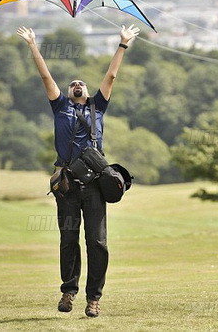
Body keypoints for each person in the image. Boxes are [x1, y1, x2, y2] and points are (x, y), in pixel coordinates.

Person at [17, 24, 140, 318]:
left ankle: (93, 298)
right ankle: (68, 292)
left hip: (96, 186)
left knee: (97, 243)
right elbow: (45, 76)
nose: (77, 84)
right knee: (68, 240)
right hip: (68, 187)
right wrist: (33, 45)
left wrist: (122, 44)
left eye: (81, 83)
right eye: (73, 83)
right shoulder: (60, 108)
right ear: (69, 91)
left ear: (86, 90)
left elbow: (111, 75)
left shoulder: (98, 106)